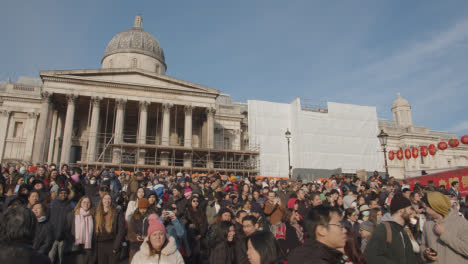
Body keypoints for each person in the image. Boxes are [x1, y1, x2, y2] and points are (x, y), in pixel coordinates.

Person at [364, 192, 417, 264]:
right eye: (410, 208)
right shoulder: (383, 229)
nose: (412, 212)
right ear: (401, 211)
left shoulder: (402, 230)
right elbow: (371, 256)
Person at [421, 191, 468, 263]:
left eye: (425, 208)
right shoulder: (427, 224)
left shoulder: (461, 223)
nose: (423, 210)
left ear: (435, 206)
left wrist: (444, 235)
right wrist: (425, 253)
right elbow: (423, 245)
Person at [94, 193, 125, 264]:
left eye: (109, 199)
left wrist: (116, 247)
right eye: (105, 199)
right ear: (101, 200)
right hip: (100, 245)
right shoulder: (97, 213)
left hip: (112, 244)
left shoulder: (117, 212)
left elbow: (121, 230)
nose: (107, 201)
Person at [48, 187, 74, 264]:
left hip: (64, 236)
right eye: (61, 193)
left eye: (65, 193)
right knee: (50, 258)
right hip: (52, 236)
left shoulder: (71, 205)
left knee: (62, 259)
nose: (63, 194)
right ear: (58, 194)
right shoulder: (52, 204)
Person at [70, 195, 94, 264]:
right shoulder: (73, 215)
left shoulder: (93, 216)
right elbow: (68, 230)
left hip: (89, 247)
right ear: (80, 203)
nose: (86, 204)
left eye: (88, 202)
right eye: (84, 202)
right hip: (76, 247)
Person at [128, 198, 150, 263]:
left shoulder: (151, 217)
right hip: (135, 246)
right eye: (141, 208)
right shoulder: (134, 217)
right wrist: (136, 237)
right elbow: (130, 232)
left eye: (144, 208)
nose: (143, 211)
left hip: (147, 246)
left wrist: (148, 237)